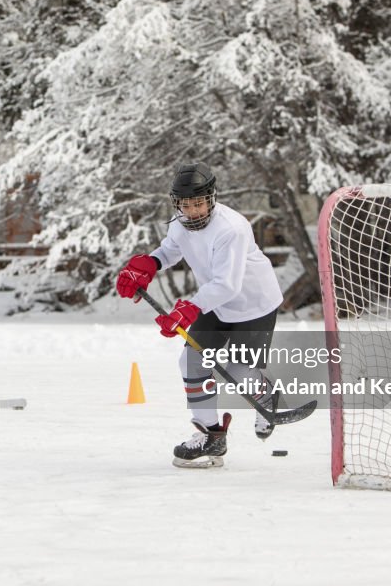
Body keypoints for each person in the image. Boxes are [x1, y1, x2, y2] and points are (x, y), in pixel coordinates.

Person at [116, 162, 283, 468]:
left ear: (211, 198)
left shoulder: (230, 228)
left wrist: (188, 309)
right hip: (216, 303)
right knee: (192, 360)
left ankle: (267, 396)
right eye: (185, 205)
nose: (192, 211)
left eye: (198, 203)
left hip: (253, 304)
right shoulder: (180, 224)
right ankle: (211, 436)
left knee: (239, 371)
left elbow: (228, 284)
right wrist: (150, 264)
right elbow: (171, 249)